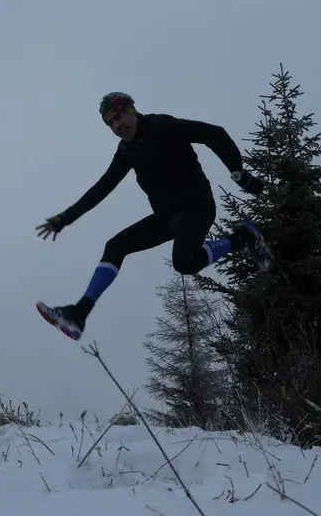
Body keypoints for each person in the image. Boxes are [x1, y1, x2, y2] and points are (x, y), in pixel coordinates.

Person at [35, 91, 272, 341]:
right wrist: (65, 218)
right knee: (115, 246)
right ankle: (78, 314)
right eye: (110, 124)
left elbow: (213, 133)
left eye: (118, 118)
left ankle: (242, 237)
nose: (117, 127)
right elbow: (102, 188)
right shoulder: (126, 151)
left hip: (196, 207)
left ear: (131, 111)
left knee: (184, 262)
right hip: (166, 216)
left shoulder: (162, 126)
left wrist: (238, 172)